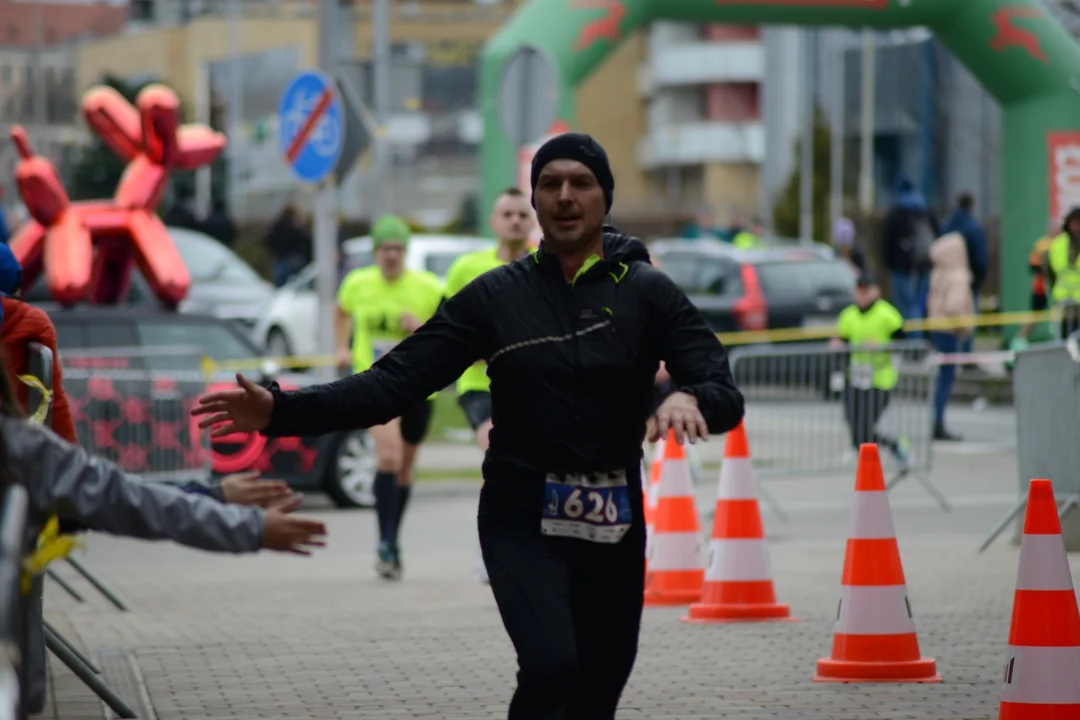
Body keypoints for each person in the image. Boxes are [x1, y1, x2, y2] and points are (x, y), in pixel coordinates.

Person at [192, 132, 745, 719]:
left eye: (580, 183)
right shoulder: (495, 298)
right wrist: (281, 410)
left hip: (615, 513)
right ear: (534, 202)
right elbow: (391, 383)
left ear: (605, 198)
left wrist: (689, 399)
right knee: (553, 665)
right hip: (521, 509)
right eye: (549, 184)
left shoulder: (648, 293)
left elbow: (722, 389)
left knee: (599, 684)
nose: (564, 195)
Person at [0, 343, 327, 715]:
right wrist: (242, 522)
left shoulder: (20, 448)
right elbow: (119, 499)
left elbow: (114, 499)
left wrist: (217, 498)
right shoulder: (18, 448)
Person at [335, 214, 444, 580]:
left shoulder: (427, 287)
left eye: (398, 248)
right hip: (375, 383)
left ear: (407, 251)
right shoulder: (358, 283)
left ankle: (392, 542)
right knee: (388, 456)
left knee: (405, 467)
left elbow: (449, 334)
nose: (392, 255)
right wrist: (341, 347)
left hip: (417, 386)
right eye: (385, 249)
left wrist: (422, 328)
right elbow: (341, 311)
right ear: (375, 252)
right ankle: (383, 542)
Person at [443, 186, 536, 585]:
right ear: (493, 222)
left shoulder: (544, 266)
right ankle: (493, 551)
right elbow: (449, 323)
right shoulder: (467, 267)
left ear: (531, 221)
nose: (515, 220)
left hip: (529, 382)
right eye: (508, 214)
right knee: (497, 454)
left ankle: (526, 546)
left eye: (522, 214)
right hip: (479, 383)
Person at [833, 273, 911, 470]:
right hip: (855, 379)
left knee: (864, 428)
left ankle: (895, 446)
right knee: (853, 426)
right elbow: (842, 341)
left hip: (880, 380)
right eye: (859, 290)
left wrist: (883, 346)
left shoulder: (888, 314)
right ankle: (866, 462)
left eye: (867, 290)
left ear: (876, 291)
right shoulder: (848, 315)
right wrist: (837, 345)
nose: (863, 295)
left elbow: (907, 345)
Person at [926, 231, 974, 441]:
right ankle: (938, 422)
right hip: (949, 330)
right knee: (946, 379)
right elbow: (954, 307)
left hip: (936, 327)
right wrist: (965, 328)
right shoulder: (957, 275)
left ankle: (936, 420)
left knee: (941, 379)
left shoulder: (938, 272)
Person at [882, 175, 939, 338]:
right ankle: (920, 340)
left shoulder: (896, 212)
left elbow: (888, 241)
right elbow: (937, 235)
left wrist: (889, 264)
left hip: (901, 268)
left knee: (907, 307)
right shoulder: (926, 209)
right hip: (923, 265)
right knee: (919, 305)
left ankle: (912, 344)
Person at [940, 192, 989, 357]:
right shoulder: (973, 227)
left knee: (948, 316)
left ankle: (950, 354)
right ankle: (966, 354)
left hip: (945, 280)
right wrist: (978, 279)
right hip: (967, 280)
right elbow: (981, 259)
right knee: (967, 317)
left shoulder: (947, 226)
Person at [1011, 221, 1058, 353]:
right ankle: (1019, 342)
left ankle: (1057, 341)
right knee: (1035, 316)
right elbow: (1033, 266)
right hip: (1041, 288)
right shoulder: (1042, 245)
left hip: (1056, 289)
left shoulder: (1062, 244)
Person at [1045, 207, 1080, 340]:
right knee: (1064, 342)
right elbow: (1050, 273)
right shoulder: (1058, 245)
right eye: (1074, 222)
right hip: (1063, 304)